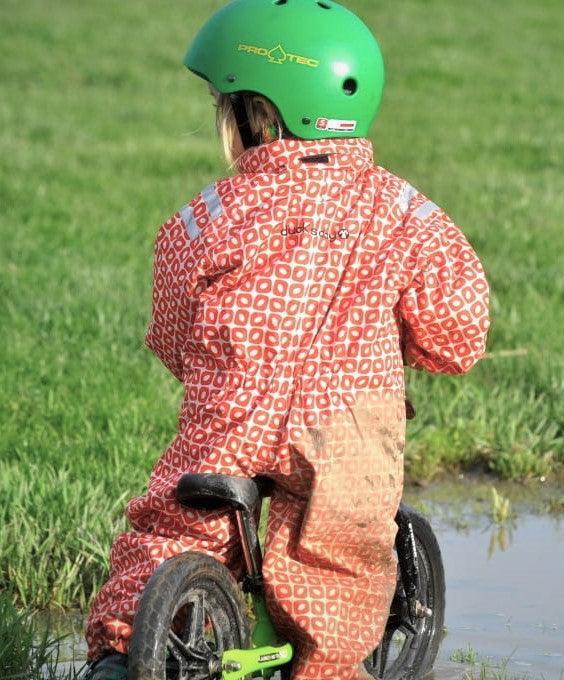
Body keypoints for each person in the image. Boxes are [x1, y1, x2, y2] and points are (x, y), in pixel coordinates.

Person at [84, 0, 490, 678]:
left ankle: (126, 653)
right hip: (348, 424)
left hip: (234, 411)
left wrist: (203, 365)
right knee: (341, 565)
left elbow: (173, 327)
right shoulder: (407, 213)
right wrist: (414, 349)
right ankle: (327, 667)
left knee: (175, 529)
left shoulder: (210, 214)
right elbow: (459, 332)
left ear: (260, 115)